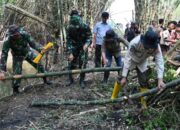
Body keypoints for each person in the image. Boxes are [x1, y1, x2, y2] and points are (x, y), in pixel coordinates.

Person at [111, 30, 165, 108]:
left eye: (150, 47)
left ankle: (143, 103)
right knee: (120, 78)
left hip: (142, 62)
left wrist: (160, 80)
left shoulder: (156, 48)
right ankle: (113, 97)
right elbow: (127, 59)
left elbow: (160, 62)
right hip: (132, 60)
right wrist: (124, 76)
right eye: (147, 46)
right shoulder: (134, 43)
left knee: (143, 81)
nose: (149, 48)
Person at [0, 25, 52, 94]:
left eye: (16, 34)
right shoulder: (8, 40)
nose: (15, 36)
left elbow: (33, 43)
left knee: (38, 63)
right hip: (17, 55)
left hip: (27, 51)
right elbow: (4, 55)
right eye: (13, 35)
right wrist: (2, 71)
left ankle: (45, 79)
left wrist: (40, 49)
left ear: (18, 32)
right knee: (17, 72)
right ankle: (15, 89)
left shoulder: (24, 34)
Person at [66, 13, 92, 88]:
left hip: (83, 46)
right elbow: (69, 40)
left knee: (83, 63)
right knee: (70, 62)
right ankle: (70, 79)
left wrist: (87, 44)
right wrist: (70, 52)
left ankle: (82, 80)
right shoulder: (70, 28)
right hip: (74, 46)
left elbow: (89, 37)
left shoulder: (85, 26)